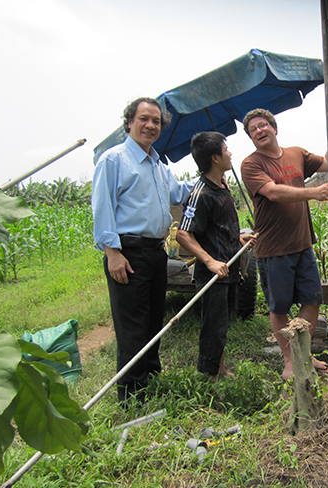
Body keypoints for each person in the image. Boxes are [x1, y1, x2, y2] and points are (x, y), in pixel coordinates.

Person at [92, 97, 194, 406]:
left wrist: (208, 181)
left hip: (155, 251)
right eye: (144, 119)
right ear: (129, 123)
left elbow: (178, 193)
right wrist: (112, 253)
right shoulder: (114, 160)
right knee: (132, 324)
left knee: (152, 320)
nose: (150, 125)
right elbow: (102, 208)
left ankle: (150, 377)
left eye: (156, 121)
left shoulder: (158, 165)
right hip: (128, 252)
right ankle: (131, 394)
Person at [240, 108, 328, 381]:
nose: (260, 131)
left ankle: (304, 354)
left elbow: (327, 164)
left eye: (263, 125)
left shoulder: (296, 153)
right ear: (251, 137)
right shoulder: (251, 164)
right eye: (254, 129)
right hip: (274, 249)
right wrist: (315, 193)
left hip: (303, 244)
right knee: (280, 307)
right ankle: (289, 360)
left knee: (312, 300)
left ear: (275, 128)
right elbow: (273, 192)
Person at [175, 132, 255, 381]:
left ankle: (218, 368)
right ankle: (209, 377)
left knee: (222, 324)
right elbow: (183, 234)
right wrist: (209, 261)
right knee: (213, 326)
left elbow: (219, 229)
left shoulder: (222, 186)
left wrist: (240, 241)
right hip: (212, 274)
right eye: (226, 149)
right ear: (214, 157)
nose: (230, 153)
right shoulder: (200, 193)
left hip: (228, 269)